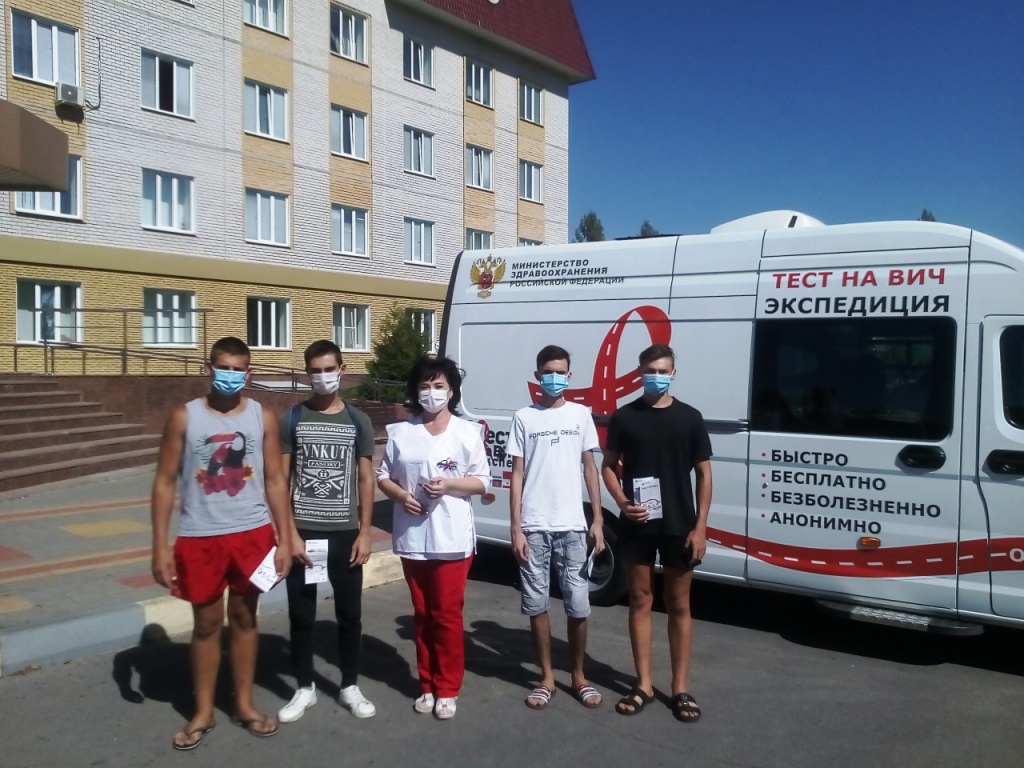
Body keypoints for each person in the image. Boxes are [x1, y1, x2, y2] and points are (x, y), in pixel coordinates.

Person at [150, 336, 292, 750]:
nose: (229, 375)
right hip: (200, 536)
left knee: (245, 619)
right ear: (208, 368)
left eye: (237, 369)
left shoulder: (263, 417)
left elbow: (275, 480)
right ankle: (203, 711)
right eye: (222, 367)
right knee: (207, 624)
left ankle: (244, 705)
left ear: (249, 373)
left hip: (252, 534)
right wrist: (159, 545)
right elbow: (164, 482)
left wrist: (285, 538)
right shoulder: (184, 417)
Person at [600, 343, 712, 723]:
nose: (657, 376)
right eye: (651, 370)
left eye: (663, 371)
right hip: (638, 523)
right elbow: (608, 466)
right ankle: (644, 684)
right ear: (639, 372)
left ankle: (680, 688)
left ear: (673, 373)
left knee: (679, 604)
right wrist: (621, 501)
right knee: (640, 600)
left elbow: (704, 474)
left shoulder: (690, 418)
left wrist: (700, 527)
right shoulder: (625, 417)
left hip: (680, 524)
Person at [376, 356, 489, 721]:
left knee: (446, 616)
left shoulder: (467, 432)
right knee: (423, 615)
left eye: (439, 385)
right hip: (413, 538)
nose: (432, 392)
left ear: (451, 391)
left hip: (452, 539)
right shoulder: (401, 433)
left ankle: (448, 687)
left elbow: (482, 481)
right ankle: (426, 684)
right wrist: (400, 495)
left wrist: (449, 485)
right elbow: (383, 476)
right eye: (425, 386)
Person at [277, 340, 377, 724]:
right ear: (307, 373)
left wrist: (365, 532)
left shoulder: (357, 420)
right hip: (306, 534)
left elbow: (366, 478)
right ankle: (305, 687)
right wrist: (290, 534)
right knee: (302, 614)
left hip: (344, 534)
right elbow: (282, 480)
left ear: (341, 369)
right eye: (315, 371)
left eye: (329, 369)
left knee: (349, 614)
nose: (322, 376)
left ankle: (349, 685)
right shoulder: (293, 418)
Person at [509, 344, 606, 710]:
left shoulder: (581, 415)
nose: (554, 377)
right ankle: (546, 678)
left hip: (573, 527)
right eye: (547, 372)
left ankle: (579, 676)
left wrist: (598, 520)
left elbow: (590, 468)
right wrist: (516, 526)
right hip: (534, 525)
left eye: (560, 372)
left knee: (578, 604)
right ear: (537, 376)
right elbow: (517, 474)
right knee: (536, 603)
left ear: (569, 375)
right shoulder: (524, 417)